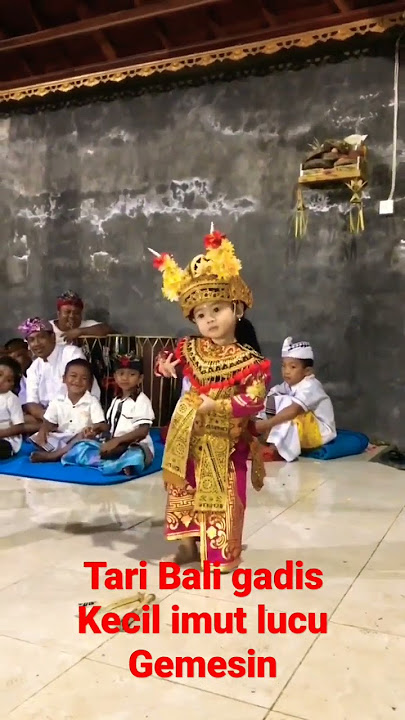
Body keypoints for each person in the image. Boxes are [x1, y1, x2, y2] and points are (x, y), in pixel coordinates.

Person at [152, 229, 271, 572]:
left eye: (216, 309)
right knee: (184, 487)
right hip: (188, 436)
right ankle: (188, 543)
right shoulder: (190, 347)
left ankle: (222, 553)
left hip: (226, 441)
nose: (209, 320)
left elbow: (254, 401)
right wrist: (164, 367)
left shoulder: (250, 361)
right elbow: (166, 360)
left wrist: (215, 406)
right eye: (201, 315)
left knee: (225, 496)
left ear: (236, 309)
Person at [62, 352, 155, 476]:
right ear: (115, 377)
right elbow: (109, 426)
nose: (125, 378)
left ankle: (117, 464)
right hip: (113, 443)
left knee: (136, 456)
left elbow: (143, 431)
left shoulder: (142, 401)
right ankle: (115, 465)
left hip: (135, 444)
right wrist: (96, 429)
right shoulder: (116, 400)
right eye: (121, 374)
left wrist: (117, 442)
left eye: (132, 374)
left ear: (140, 379)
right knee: (81, 446)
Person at [256, 336, 336, 462]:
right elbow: (272, 395)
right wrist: (260, 418)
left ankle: (276, 450)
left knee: (289, 409)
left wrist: (267, 424)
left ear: (307, 371)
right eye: (284, 366)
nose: (286, 371)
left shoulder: (311, 385)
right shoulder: (289, 384)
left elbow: (293, 410)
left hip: (319, 433)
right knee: (274, 396)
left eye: (292, 367)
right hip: (302, 429)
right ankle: (266, 439)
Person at [18, 317, 101, 432]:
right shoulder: (33, 367)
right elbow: (32, 403)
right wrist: (49, 418)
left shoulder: (71, 353)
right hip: (49, 418)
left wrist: (56, 419)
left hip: (78, 414)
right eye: (31, 340)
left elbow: (82, 389)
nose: (36, 344)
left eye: (41, 337)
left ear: (52, 337)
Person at [30, 359, 108, 463]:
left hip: (83, 439)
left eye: (84, 378)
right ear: (64, 378)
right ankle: (66, 453)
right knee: (38, 437)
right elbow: (48, 422)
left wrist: (92, 429)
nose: (77, 381)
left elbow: (102, 425)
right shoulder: (57, 400)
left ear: (90, 383)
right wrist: (43, 431)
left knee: (82, 439)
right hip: (63, 438)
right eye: (73, 376)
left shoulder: (92, 402)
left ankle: (53, 456)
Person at [0, 357, 24, 459]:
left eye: (8, 380)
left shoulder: (12, 399)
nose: (1, 381)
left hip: (7, 440)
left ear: (12, 384)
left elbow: (19, 427)